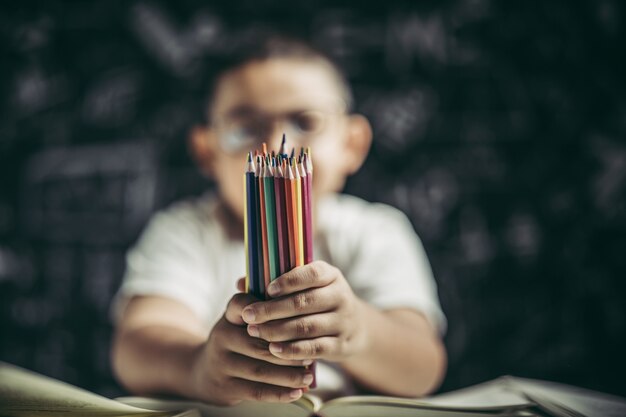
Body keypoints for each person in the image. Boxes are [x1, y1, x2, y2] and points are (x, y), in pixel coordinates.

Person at [111, 36, 447, 406]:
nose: (277, 147)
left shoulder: (377, 231)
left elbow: (424, 366)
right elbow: (135, 348)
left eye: (306, 122)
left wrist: (359, 332)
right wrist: (198, 367)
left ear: (353, 144)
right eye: (244, 129)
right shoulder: (183, 231)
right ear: (207, 152)